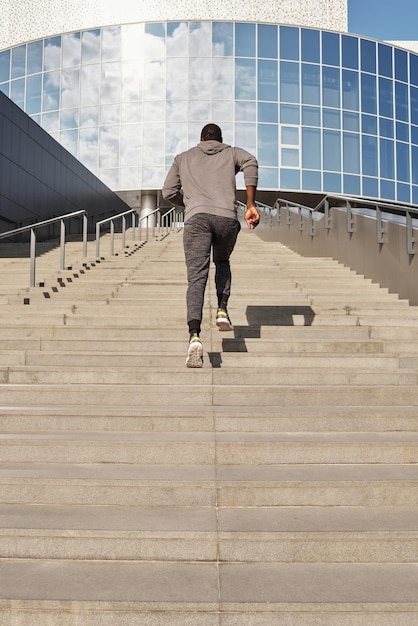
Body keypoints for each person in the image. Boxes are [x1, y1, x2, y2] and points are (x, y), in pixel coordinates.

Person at [162, 123, 259, 368]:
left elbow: (167, 191)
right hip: (226, 217)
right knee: (222, 261)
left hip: (196, 220)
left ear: (201, 139)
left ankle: (194, 335)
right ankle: (222, 309)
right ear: (220, 139)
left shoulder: (182, 158)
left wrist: (191, 204)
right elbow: (251, 162)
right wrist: (250, 204)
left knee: (196, 278)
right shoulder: (232, 152)